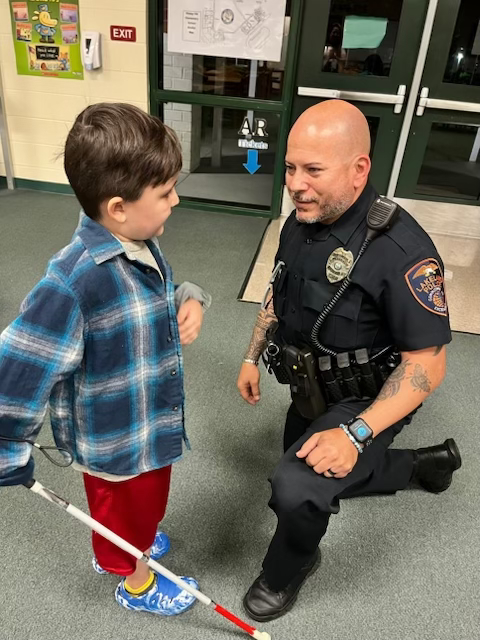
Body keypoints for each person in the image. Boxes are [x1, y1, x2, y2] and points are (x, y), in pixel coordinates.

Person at [236, 100, 462, 622]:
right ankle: (422, 466)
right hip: (311, 384)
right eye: (291, 167)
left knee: (295, 487)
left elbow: (428, 363)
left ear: (359, 170)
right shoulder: (302, 220)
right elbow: (277, 290)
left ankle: (288, 568)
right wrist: (252, 355)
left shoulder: (401, 249)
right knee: (303, 459)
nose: (296, 183)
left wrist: (356, 434)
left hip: (373, 396)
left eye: (314, 170)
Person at [0, 103, 211, 616]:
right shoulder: (73, 282)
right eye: (165, 194)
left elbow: (148, 298)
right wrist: (8, 444)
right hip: (114, 440)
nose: (176, 200)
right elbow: (21, 365)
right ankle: (134, 581)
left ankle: (128, 543)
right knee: (125, 512)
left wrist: (190, 297)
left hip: (150, 421)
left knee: (148, 502)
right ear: (118, 207)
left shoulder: (138, 241)